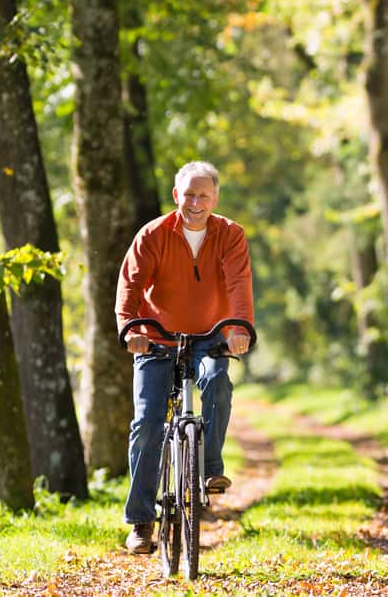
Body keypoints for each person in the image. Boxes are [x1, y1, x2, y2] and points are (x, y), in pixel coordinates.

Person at [115, 161, 254, 554]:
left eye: (204, 195)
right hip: (157, 340)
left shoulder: (230, 235)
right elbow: (131, 284)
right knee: (147, 425)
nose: (196, 202)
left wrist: (239, 328)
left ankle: (210, 469)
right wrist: (133, 329)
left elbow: (239, 283)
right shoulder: (154, 235)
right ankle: (141, 521)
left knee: (218, 381)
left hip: (210, 338)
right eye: (189, 195)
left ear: (215, 198)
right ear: (177, 195)